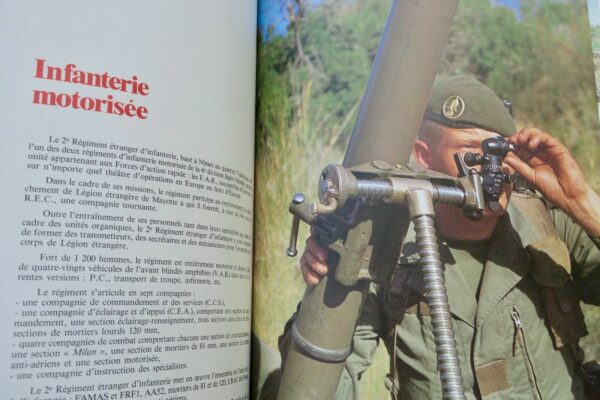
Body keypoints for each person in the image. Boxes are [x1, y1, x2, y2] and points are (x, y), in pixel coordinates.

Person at [280, 76, 600, 399]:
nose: (493, 171)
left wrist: (583, 202)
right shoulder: (387, 252)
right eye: (472, 154)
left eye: (502, 153)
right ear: (423, 156)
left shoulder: (545, 224)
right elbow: (320, 381)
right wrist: (324, 286)